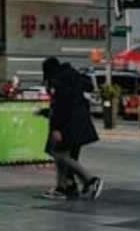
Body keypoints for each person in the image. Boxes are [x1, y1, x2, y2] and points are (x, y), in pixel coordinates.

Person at [39, 57, 102, 200]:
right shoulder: (72, 76)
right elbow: (78, 97)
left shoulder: (59, 81)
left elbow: (61, 106)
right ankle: (66, 186)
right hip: (79, 122)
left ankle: (90, 180)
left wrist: (56, 127)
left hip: (68, 124)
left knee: (60, 154)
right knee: (65, 156)